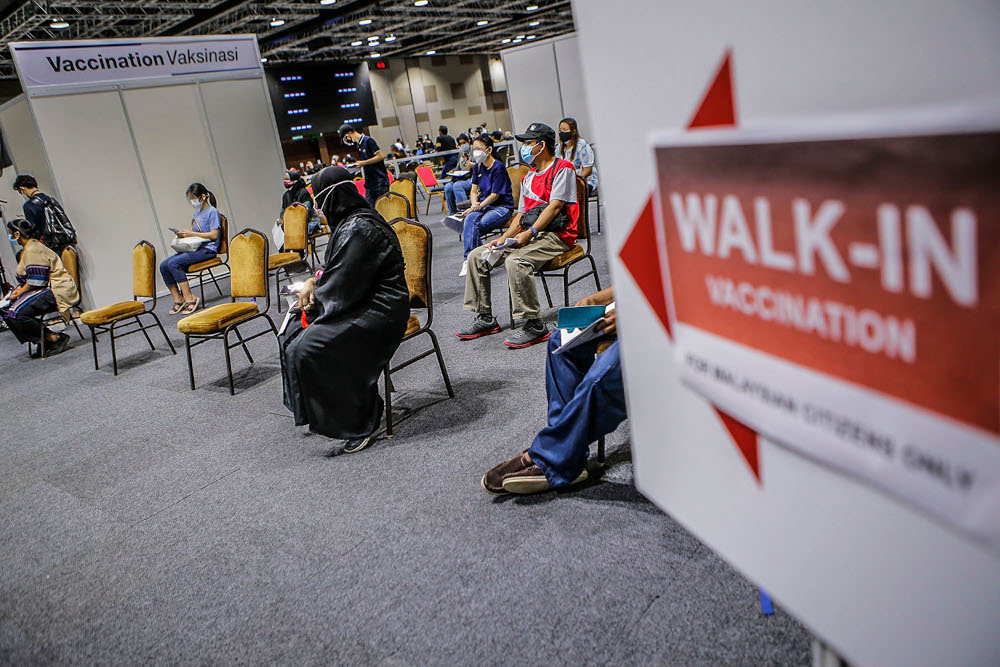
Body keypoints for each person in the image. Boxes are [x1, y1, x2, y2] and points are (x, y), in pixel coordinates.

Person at [279, 166, 410, 453]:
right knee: (290, 332)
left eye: (319, 200)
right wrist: (315, 281)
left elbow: (344, 284)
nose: (317, 207)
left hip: (381, 310)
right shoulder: (348, 224)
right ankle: (316, 412)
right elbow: (337, 272)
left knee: (309, 345)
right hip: (360, 300)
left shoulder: (359, 227)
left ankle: (360, 419)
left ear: (333, 197)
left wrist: (314, 303)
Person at [482, 287, 624, 494]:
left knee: (605, 372)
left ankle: (551, 455)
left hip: (673, 322)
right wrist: (596, 299)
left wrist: (638, 313)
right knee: (560, 341)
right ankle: (566, 453)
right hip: (640, 306)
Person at [456, 122, 579, 349]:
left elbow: (554, 207)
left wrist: (531, 232)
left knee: (517, 260)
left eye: (528, 143)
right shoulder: (528, 177)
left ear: (542, 145)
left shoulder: (563, 168)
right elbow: (520, 214)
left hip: (557, 235)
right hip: (527, 233)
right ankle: (484, 317)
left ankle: (534, 324)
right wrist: (503, 239)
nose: (523, 147)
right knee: (477, 255)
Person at [2, 217, 79, 356]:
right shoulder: (28, 248)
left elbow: (37, 281)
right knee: (6, 311)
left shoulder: (33, 249)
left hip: (55, 289)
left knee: (15, 312)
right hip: (43, 288)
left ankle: (53, 338)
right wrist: (18, 290)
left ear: (17, 234)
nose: (10, 236)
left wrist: (18, 294)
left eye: (11, 233)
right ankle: (43, 339)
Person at [443, 134, 514, 276]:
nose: (474, 151)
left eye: (478, 148)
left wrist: (477, 206)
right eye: (473, 148)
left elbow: (495, 195)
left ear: (488, 150)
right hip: (484, 205)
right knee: (469, 220)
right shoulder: (478, 167)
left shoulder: (498, 167)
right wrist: (474, 203)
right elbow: (474, 190)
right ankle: (470, 259)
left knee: (475, 226)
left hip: (502, 207)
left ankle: (476, 260)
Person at [159, 183, 222, 315]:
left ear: (203, 196)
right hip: (196, 249)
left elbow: (214, 235)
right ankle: (179, 299)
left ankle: (190, 298)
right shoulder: (197, 214)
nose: (192, 202)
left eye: (193, 198)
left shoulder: (212, 212)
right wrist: (185, 233)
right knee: (164, 265)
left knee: (174, 263)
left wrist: (192, 234)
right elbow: (197, 233)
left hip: (207, 250)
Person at [12, 174, 76, 256]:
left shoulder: (29, 205)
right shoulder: (51, 199)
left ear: (22, 189)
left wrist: (25, 221)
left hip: (51, 245)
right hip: (67, 240)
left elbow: (35, 230)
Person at [339, 124, 390, 206]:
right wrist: (360, 163)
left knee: (383, 207)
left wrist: (364, 162)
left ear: (348, 135)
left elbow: (380, 156)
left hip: (379, 180)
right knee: (371, 208)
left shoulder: (368, 141)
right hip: (370, 182)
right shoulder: (359, 145)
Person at [555, 117, 598, 195]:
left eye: (565, 130)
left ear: (573, 131)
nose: (562, 133)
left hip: (584, 182)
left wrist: (575, 182)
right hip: (566, 184)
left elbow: (588, 170)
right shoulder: (559, 148)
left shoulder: (582, 146)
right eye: (560, 130)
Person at [279, 169, 320, 238]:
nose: (285, 181)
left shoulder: (303, 193)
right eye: (284, 179)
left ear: (294, 180)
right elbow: (283, 211)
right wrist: (282, 219)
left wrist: (291, 219)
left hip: (307, 222)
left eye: (287, 179)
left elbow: (305, 212)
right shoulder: (286, 195)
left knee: (292, 231)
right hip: (293, 223)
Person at [443, 133, 474, 214]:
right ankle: (453, 213)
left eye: (464, 143)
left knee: (457, 186)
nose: (462, 145)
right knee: (448, 187)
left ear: (469, 142)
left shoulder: (474, 152)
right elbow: (458, 167)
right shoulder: (461, 153)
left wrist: (472, 165)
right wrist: (453, 171)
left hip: (472, 178)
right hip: (461, 177)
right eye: (460, 144)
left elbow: (481, 166)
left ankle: (465, 212)